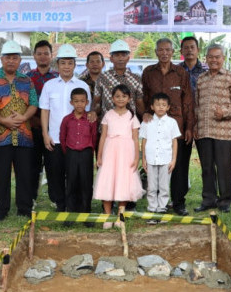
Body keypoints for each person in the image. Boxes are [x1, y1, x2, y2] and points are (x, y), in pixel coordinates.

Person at [141, 38, 194, 216]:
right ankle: (155, 202)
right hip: (154, 127)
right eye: (161, 50)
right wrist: (145, 113)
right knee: (156, 164)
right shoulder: (148, 72)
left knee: (178, 165)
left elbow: (188, 101)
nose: (164, 53)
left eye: (167, 50)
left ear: (173, 52)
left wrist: (188, 127)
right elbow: (144, 96)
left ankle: (178, 202)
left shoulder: (180, 73)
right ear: (156, 52)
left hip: (177, 125)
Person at [0, 40, 38, 219]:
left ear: (19, 60)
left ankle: (24, 207)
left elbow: (34, 104)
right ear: (1, 59)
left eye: (15, 58)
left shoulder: (26, 80)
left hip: (24, 135)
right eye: (7, 57)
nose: (11, 61)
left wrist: (24, 118)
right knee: (1, 175)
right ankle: (2, 209)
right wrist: (2, 120)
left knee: (24, 173)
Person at [39, 44, 92, 212]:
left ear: (75, 65)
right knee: (55, 173)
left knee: (75, 174)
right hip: (54, 138)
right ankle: (60, 205)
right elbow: (45, 111)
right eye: (63, 63)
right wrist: (45, 134)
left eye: (70, 63)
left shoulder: (82, 86)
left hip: (75, 142)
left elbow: (87, 113)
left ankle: (75, 205)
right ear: (57, 65)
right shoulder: (49, 85)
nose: (66, 66)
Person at [194, 45, 231, 213]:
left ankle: (224, 201)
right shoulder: (201, 78)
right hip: (204, 129)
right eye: (210, 57)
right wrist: (195, 125)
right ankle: (208, 199)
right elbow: (197, 104)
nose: (214, 60)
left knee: (224, 167)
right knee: (206, 167)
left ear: (223, 58)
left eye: (217, 57)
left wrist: (226, 112)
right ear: (205, 58)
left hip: (223, 130)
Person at [93, 84, 143, 229]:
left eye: (124, 96)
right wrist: (100, 155)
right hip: (110, 150)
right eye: (117, 96)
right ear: (112, 98)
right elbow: (102, 136)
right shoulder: (108, 115)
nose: (120, 99)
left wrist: (136, 157)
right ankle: (108, 215)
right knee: (107, 180)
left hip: (126, 152)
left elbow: (135, 138)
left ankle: (120, 216)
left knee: (123, 181)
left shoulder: (132, 116)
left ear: (129, 98)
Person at [140, 92, 181, 219]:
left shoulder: (172, 122)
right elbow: (144, 141)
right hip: (151, 159)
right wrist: (144, 159)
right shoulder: (147, 122)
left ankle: (162, 207)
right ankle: (152, 207)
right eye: (158, 105)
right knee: (151, 185)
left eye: (164, 105)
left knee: (163, 185)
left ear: (168, 107)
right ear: (152, 107)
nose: (161, 107)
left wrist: (173, 160)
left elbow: (174, 142)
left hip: (166, 159)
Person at [59, 88, 98, 215]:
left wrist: (90, 152)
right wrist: (68, 152)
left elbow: (94, 137)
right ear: (71, 103)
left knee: (86, 183)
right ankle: (71, 212)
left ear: (87, 102)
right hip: (71, 154)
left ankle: (86, 212)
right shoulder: (67, 119)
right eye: (76, 101)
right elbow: (62, 137)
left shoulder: (90, 119)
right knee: (71, 182)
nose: (79, 104)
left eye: (82, 101)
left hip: (86, 154)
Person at [29, 39, 59, 199]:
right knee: (32, 165)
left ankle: (55, 198)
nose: (42, 57)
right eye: (39, 54)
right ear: (34, 56)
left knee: (53, 165)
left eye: (46, 54)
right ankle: (31, 197)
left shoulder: (58, 77)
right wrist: (32, 120)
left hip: (53, 130)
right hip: (32, 127)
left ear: (51, 55)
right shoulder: (26, 78)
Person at [178, 36, 209, 195]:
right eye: (186, 47)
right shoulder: (176, 70)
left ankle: (208, 197)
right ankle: (180, 196)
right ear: (181, 51)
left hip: (203, 121)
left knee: (207, 162)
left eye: (192, 47)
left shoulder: (206, 72)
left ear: (198, 50)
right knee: (180, 161)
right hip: (181, 122)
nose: (189, 50)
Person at [92, 39, 144, 120]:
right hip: (107, 126)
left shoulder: (136, 79)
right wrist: (93, 112)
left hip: (129, 126)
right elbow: (96, 102)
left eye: (123, 55)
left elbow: (139, 104)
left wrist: (146, 116)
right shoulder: (102, 78)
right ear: (111, 58)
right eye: (117, 55)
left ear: (128, 58)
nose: (120, 58)